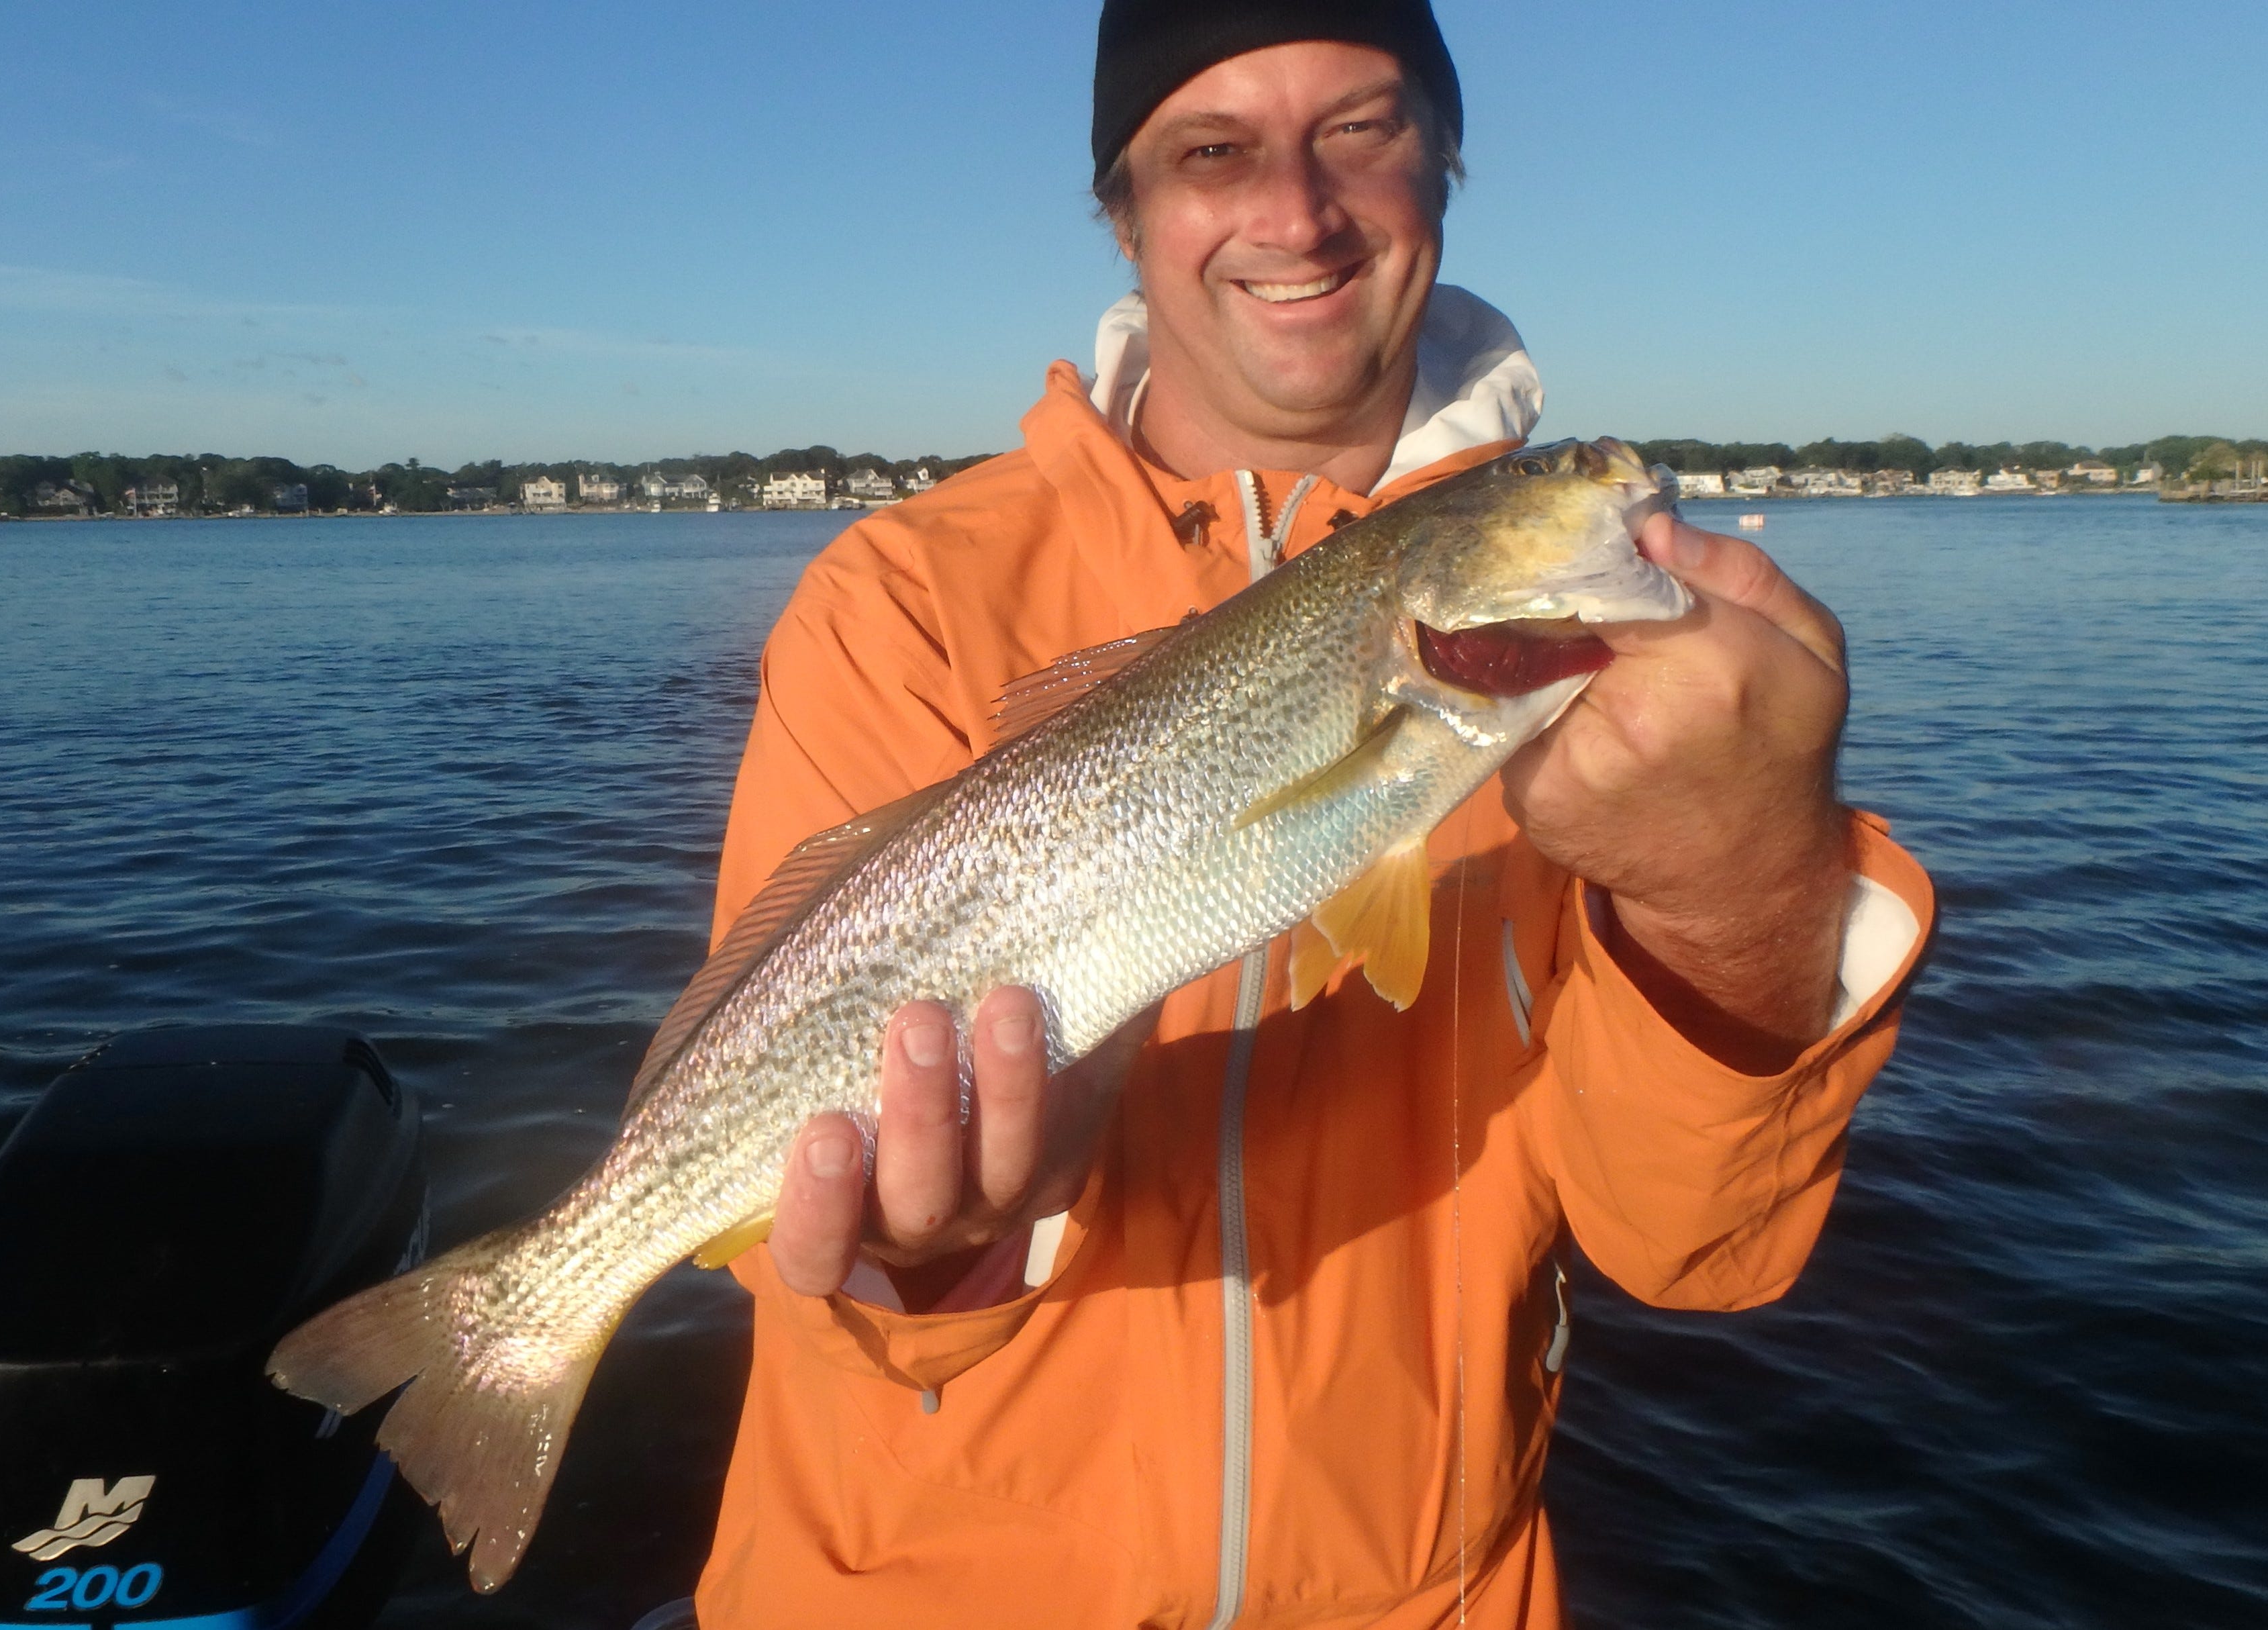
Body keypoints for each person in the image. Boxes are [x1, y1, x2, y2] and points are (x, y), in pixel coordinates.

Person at [691, 3, 1934, 1625]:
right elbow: (835, 1275)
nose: (1297, 210)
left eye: (1362, 127)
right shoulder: (899, 598)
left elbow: (1696, 1251)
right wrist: (937, 1241)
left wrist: (1740, 871)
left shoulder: (1621, 674)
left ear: (1445, 165)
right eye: (1212, 150)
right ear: (1125, 214)